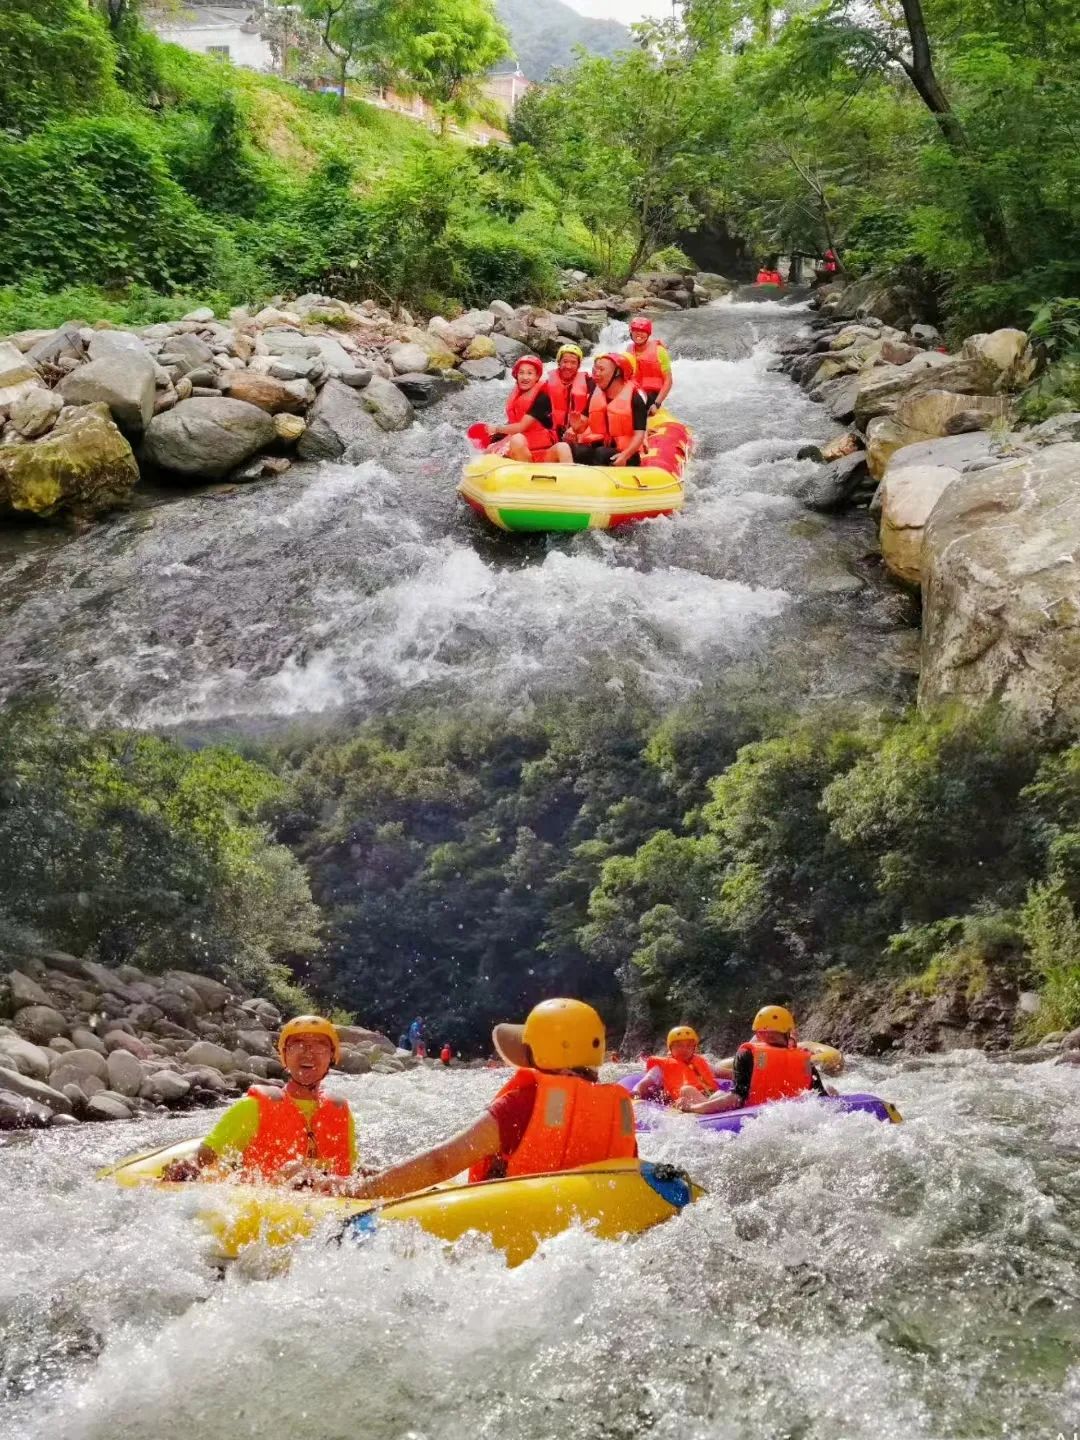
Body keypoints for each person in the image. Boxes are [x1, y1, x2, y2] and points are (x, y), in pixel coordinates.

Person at [315, 999, 637, 1200]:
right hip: (587, 1215)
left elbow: (442, 1162)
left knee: (369, 1183)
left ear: (541, 1052)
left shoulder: (523, 1103)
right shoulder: (618, 1107)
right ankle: (371, 1174)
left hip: (511, 1219)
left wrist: (361, 1194)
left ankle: (359, 1181)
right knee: (376, 1172)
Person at [162, 1015, 356, 1182]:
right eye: (297, 1046)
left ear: (332, 1056)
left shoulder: (340, 1111)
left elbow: (351, 1172)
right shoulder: (252, 1107)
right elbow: (203, 1158)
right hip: (266, 1206)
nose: (308, 1053)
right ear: (284, 1056)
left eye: (319, 1047)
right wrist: (184, 1169)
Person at [681, 1006, 829, 1115]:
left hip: (755, 1120)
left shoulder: (747, 1053)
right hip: (798, 1116)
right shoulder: (805, 1060)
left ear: (759, 1032)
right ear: (788, 1031)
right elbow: (822, 1099)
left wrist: (692, 1109)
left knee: (701, 1094)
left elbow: (736, 1099)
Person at [485, 356, 573, 464]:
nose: (524, 377)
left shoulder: (543, 399)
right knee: (489, 450)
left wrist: (496, 429)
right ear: (516, 375)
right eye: (521, 373)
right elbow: (514, 422)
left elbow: (521, 426)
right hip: (522, 451)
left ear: (537, 377)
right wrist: (497, 436)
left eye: (529, 373)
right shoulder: (517, 395)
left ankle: (569, 475)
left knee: (563, 447)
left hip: (542, 452)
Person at [570, 353, 648, 468]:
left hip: (626, 454)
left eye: (601, 369)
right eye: (595, 369)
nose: (596, 373)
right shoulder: (595, 394)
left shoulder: (635, 398)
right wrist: (576, 427)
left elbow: (639, 435)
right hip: (601, 447)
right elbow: (583, 425)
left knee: (602, 453)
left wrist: (625, 455)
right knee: (579, 451)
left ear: (617, 373)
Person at [633, 1026, 719, 1106]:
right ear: (670, 1048)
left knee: (720, 1094)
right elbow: (645, 1082)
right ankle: (711, 1107)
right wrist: (636, 1091)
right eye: (679, 1046)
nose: (684, 1049)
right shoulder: (661, 1067)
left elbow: (722, 1072)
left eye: (689, 1046)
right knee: (687, 1089)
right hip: (683, 1101)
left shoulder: (700, 1062)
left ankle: (714, 1106)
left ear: (694, 1048)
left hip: (707, 1096)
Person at [545, 344, 595, 441]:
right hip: (555, 430)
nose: (568, 366)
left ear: (578, 365)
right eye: (565, 361)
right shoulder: (547, 383)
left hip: (579, 430)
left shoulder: (590, 383)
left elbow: (594, 411)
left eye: (573, 363)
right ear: (559, 362)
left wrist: (576, 429)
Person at [624, 317, 672, 414]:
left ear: (648, 334)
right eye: (636, 330)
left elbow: (668, 381)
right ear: (631, 332)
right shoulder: (629, 349)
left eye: (643, 331)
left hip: (652, 393)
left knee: (637, 401)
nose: (639, 334)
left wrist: (657, 404)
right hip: (635, 389)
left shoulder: (660, 351)